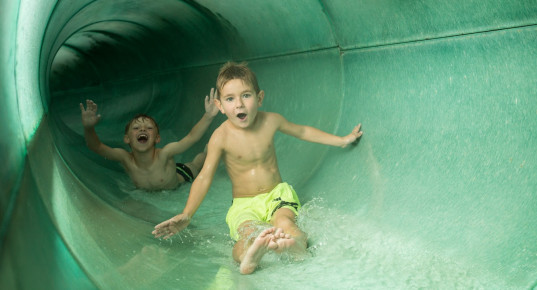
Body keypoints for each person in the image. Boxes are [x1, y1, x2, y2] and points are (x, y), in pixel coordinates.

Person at [152, 61, 363, 274]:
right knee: (247, 232)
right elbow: (204, 176)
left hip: (276, 195)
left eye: (246, 95)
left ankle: (295, 246)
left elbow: (302, 132)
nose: (239, 105)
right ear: (220, 106)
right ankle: (248, 256)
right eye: (230, 99)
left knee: (286, 222)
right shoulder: (221, 137)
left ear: (259, 98)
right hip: (244, 204)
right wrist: (187, 214)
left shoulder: (271, 121)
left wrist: (342, 140)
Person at [79, 90, 219, 191]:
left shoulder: (165, 154)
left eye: (149, 128)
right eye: (136, 128)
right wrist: (88, 128)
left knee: (197, 163)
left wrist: (208, 116)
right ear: (127, 139)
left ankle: (208, 150)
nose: (142, 130)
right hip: (162, 180)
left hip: (182, 176)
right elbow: (96, 147)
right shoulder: (125, 159)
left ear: (157, 138)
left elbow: (191, 137)